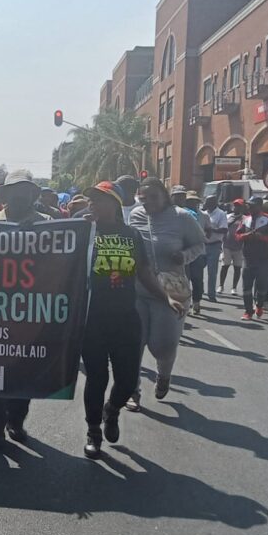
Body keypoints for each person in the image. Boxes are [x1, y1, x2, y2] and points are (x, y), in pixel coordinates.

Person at [83, 181, 182, 458]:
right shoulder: (84, 233)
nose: (92, 204)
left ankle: (111, 410)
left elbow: (145, 273)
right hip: (92, 320)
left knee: (127, 381)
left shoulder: (132, 235)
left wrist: (167, 297)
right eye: (90, 199)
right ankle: (93, 431)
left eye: (99, 199)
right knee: (97, 379)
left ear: (114, 204)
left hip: (126, 318)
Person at [0, 169, 47, 448]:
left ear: (33, 194)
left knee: (24, 372)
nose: (20, 196)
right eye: (15, 190)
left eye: (26, 190)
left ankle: (16, 420)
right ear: (5, 195)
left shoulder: (49, 224)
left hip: (30, 313)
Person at [127, 178, 202, 409]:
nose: (147, 202)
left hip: (171, 292)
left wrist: (185, 256)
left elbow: (199, 244)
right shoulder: (136, 216)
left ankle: (164, 375)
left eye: (153, 197)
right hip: (137, 291)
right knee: (133, 344)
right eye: (143, 198)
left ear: (165, 196)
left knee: (164, 345)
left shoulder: (182, 217)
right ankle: (133, 391)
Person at [234, 196, 268, 321]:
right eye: (249, 205)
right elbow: (237, 236)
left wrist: (261, 237)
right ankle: (248, 311)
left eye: (252, 205)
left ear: (259, 206)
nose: (250, 207)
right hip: (248, 258)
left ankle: (259, 305)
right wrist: (246, 236)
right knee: (246, 286)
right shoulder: (246, 219)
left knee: (261, 286)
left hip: (263, 258)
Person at [182, 191, 207, 315]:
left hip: (199, 253)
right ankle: (184, 303)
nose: (192, 203)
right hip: (184, 252)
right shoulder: (181, 215)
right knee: (184, 279)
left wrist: (202, 238)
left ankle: (196, 302)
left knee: (197, 279)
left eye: (194, 201)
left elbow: (208, 230)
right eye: (189, 201)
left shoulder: (203, 216)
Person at [201, 194, 227, 302]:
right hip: (202, 245)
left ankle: (211, 294)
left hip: (214, 245)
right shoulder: (203, 213)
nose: (205, 204)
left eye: (208, 202)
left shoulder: (221, 214)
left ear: (214, 203)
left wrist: (211, 230)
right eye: (205, 202)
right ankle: (200, 291)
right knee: (198, 270)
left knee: (212, 271)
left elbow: (224, 229)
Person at [219, 199, 246, 294]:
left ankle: (234, 287)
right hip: (227, 245)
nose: (236, 207)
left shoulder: (245, 219)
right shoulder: (227, 216)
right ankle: (221, 285)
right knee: (224, 266)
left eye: (238, 206)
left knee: (237, 267)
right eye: (235, 205)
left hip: (239, 247)